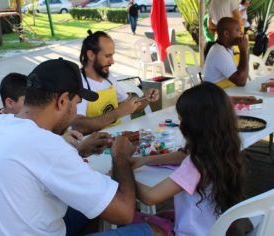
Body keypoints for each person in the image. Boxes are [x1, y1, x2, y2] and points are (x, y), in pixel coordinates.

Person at [0, 58, 162, 236]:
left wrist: (79, 150)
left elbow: (34, 163)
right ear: (62, 100)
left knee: (91, 207)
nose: (75, 112)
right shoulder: (48, 146)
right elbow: (124, 212)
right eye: (76, 103)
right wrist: (120, 156)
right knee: (155, 232)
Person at [133, 82, 245, 236]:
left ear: (193, 126)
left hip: (192, 232)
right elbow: (183, 155)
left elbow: (150, 197)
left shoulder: (195, 165)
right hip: (215, 227)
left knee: (132, 219)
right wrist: (143, 161)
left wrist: (123, 169)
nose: (180, 125)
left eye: (181, 120)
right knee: (164, 215)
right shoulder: (225, 149)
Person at [71, 31, 159, 135]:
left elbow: (130, 107)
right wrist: (119, 112)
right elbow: (78, 125)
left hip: (117, 137)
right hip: (95, 145)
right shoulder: (78, 83)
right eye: (107, 56)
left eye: (112, 56)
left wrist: (146, 98)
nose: (112, 62)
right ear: (91, 55)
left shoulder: (108, 78)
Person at [204, 17, 249, 88]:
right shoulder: (219, 52)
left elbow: (242, 71)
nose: (241, 33)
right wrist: (243, 51)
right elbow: (241, 81)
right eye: (237, 30)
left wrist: (244, 51)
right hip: (215, 96)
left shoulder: (228, 48)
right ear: (226, 33)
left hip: (225, 92)